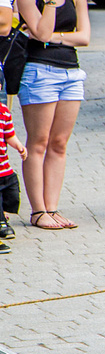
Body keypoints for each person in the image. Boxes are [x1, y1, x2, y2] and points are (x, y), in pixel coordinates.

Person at [16, 0, 89, 231]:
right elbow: (41, 33)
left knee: (59, 143)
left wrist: (56, 37)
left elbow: (84, 37)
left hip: (71, 72)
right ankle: (38, 211)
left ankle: (53, 207)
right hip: (39, 71)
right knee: (39, 143)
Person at [0, 96, 24, 251]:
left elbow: (9, 134)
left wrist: (19, 146)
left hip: (5, 169)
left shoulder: (3, 111)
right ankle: (1, 223)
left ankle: (3, 214)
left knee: (13, 196)